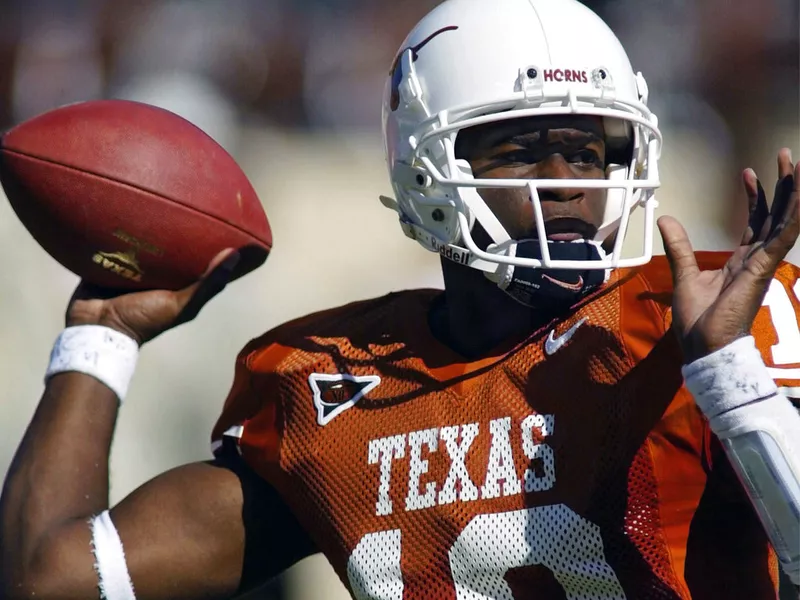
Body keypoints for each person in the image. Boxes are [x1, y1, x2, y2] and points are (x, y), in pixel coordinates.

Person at [1, 0, 799, 598]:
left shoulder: (698, 329)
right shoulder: (331, 383)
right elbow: (57, 576)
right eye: (523, 151)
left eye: (589, 151)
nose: (569, 187)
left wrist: (730, 375)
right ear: (425, 169)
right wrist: (101, 335)